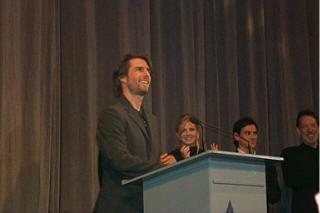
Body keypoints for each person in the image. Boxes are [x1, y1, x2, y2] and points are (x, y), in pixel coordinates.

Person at [94, 54, 169, 213]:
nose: (147, 74)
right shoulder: (112, 115)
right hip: (119, 206)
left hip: (147, 205)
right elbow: (119, 159)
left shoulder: (153, 120)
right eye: (139, 69)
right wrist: (162, 168)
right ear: (123, 79)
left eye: (148, 70)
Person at [232, 117, 281, 207]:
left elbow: (275, 196)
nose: (252, 137)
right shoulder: (229, 162)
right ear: (236, 136)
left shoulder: (266, 164)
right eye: (247, 133)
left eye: (255, 133)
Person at [280, 109, 319, 213]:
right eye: (305, 126)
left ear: (318, 128)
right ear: (298, 131)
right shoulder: (290, 154)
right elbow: (291, 180)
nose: (310, 130)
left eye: (313, 125)